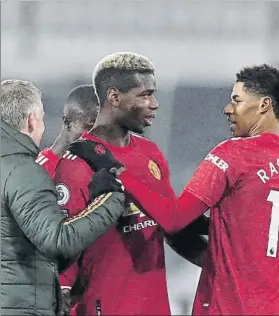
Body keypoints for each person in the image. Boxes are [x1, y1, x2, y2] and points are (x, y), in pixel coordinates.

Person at [73, 64, 279, 315]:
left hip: (229, 306)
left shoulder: (234, 154)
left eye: (237, 101)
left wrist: (119, 171)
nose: (228, 109)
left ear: (264, 105)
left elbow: (174, 220)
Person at [52, 52, 208, 316]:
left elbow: (170, 226)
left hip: (155, 306)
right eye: (145, 95)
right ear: (114, 97)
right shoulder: (79, 162)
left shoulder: (150, 153)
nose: (154, 104)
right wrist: (62, 291)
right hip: (104, 306)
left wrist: (226, 264)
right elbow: (64, 247)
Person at [0, 79, 126, 316]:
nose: (96, 137)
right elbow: (58, 240)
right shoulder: (30, 171)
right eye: (91, 126)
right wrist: (112, 198)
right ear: (32, 120)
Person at [36, 84, 99, 178]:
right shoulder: (40, 171)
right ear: (68, 122)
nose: (97, 135)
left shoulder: (106, 165)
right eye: (89, 127)